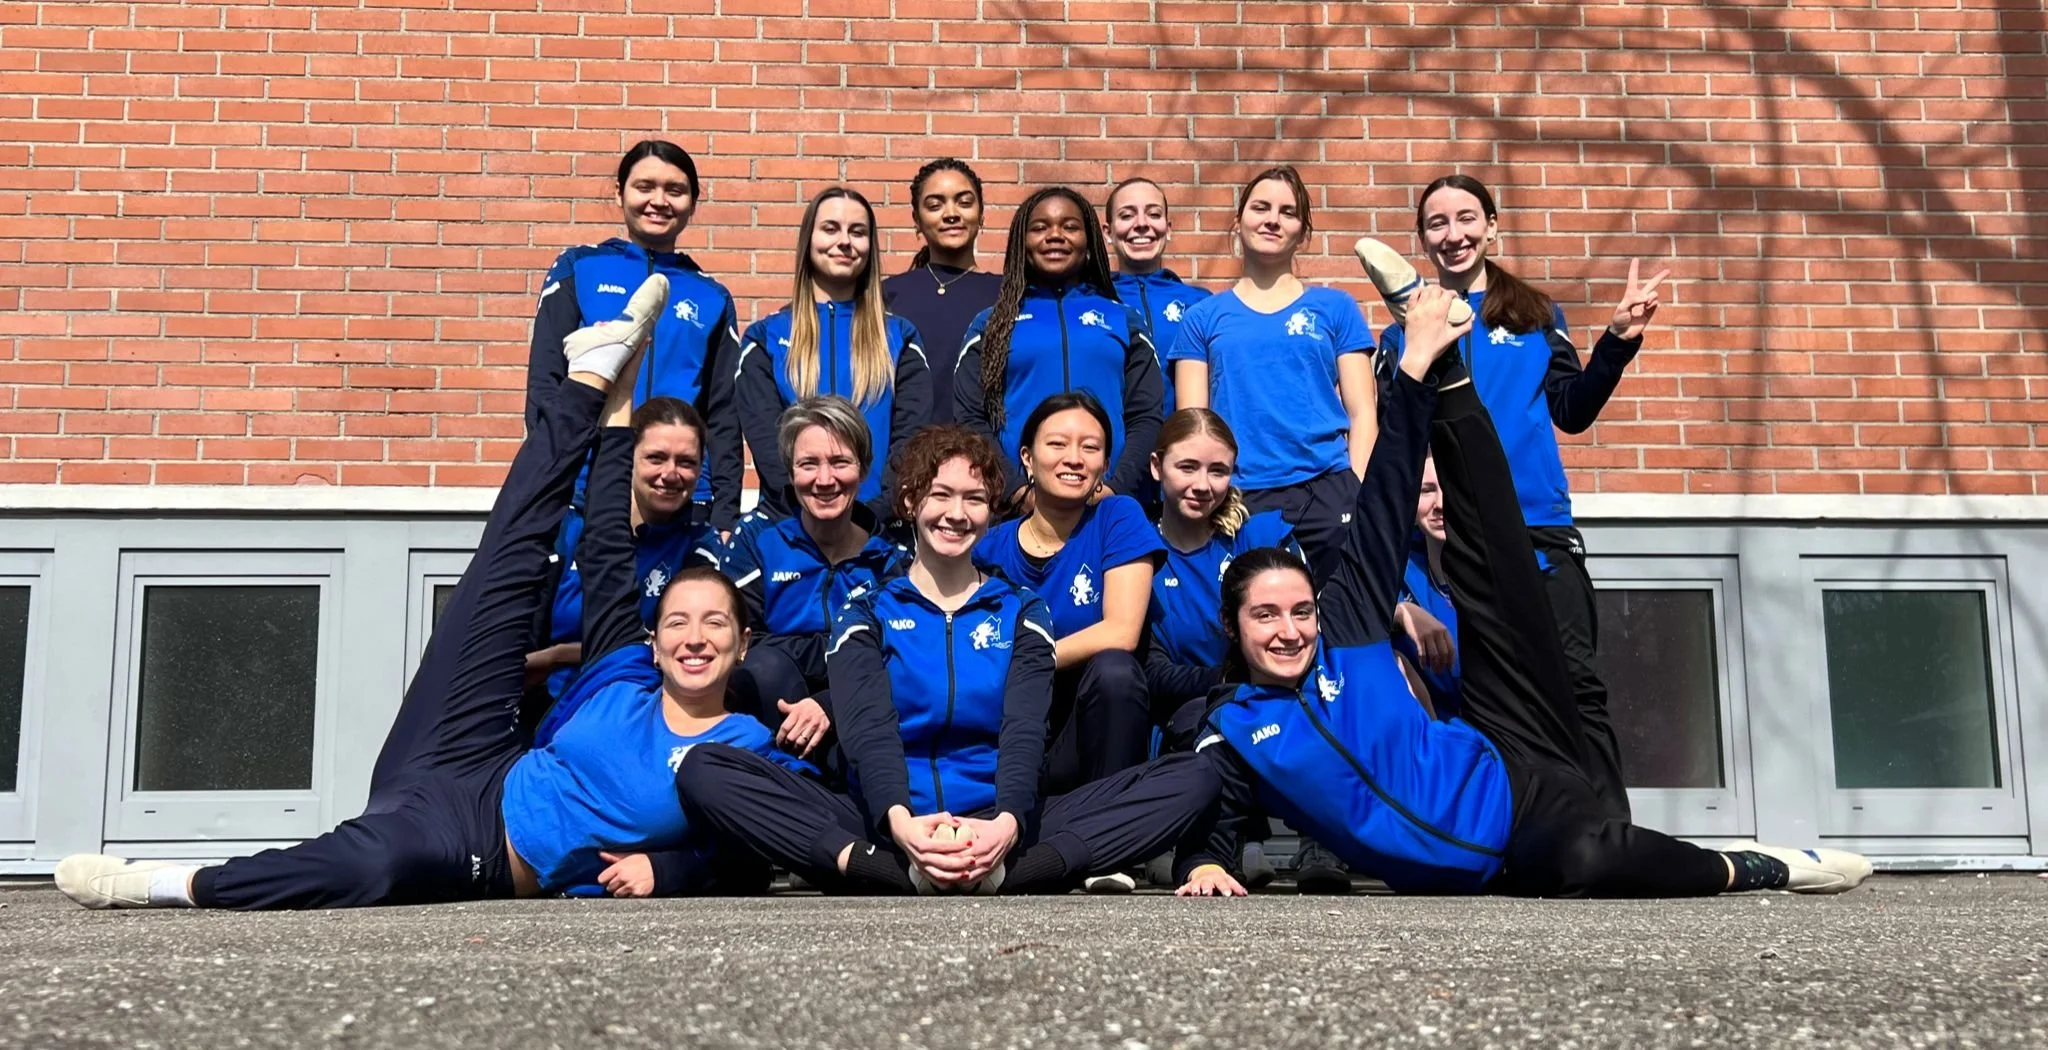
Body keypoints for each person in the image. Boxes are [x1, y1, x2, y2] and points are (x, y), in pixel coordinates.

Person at [56, 277, 806, 910]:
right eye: (678, 620)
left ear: (745, 643)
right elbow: (609, 547)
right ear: (655, 638)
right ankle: (589, 378)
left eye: (715, 623)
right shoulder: (624, 671)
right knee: (503, 565)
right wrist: (616, 407)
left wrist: (669, 871)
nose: (695, 636)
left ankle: (158, 883)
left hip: (472, 840)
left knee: (367, 870)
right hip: (474, 749)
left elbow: (754, 853)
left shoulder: (738, 746)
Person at [1172, 286, 1870, 900]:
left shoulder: (1345, 630)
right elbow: (1219, 811)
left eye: (1299, 610)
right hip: (1515, 831)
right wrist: (1205, 861)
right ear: (1233, 628)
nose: (1290, 629)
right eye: (1265, 615)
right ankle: (1743, 865)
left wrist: (1408, 373)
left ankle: (1440, 369)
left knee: (1493, 560)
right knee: (1586, 863)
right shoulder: (1235, 726)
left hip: (1512, 740)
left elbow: (1383, 506)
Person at [675, 424, 1221, 895]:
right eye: (941, 495)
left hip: (1005, 819)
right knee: (705, 767)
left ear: (991, 512)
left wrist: (1005, 823)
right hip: (887, 825)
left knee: (1195, 775)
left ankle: (999, 866)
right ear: (912, 501)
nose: (956, 514)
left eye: (974, 499)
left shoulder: (1022, 610)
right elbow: (869, 730)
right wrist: (902, 825)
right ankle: (918, 871)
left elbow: (1025, 727)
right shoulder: (866, 611)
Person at [1377, 173, 1670, 822]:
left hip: (1539, 531)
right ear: (1421, 239)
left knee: (1578, 685)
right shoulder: (1403, 334)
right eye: (1436, 224)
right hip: (1461, 544)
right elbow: (1396, 441)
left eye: (1465, 219)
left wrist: (1618, 341)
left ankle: (1608, 827)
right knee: (1495, 699)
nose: (1452, 234)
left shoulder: (1537, 314)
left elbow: (1571, 411)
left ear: (1492, 226)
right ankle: (1518, 831)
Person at [1168, 166, 1377, 592]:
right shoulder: (1203, 318)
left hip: (1328, 489)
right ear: (1239, 221)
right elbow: (1193, 423)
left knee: (1341, 618)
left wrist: (1355, 486)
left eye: (1287, 212)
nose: (1272, 219)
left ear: (1303, 232)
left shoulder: (1335, 307)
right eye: (1260, 207)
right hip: (1241, 497)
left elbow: (1364, 411)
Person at [523, 140, 746, 533]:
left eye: (674, 190)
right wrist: (549, 483)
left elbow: (724, 415)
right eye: (645, 187)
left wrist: (725, 512)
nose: (658, 201)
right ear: (620, 192)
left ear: (694, 202)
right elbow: (546, 385)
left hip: (682, 499)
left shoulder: (712, 297)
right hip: (583, 493)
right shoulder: (579, 268)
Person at [954, 186, 1165, 506]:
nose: (1055, 235)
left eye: (1070, 226)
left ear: (1090, 242)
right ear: (1021, 244)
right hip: (1019, 510)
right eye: (1039, 227)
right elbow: (971, 418)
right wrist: (1014, 491)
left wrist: (1116, 489)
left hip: (1107, 504)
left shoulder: (1124, 320)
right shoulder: (990, 324)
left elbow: (1146, 415)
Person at [723, 397, 910, 757]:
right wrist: (835, 651)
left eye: (840, 462)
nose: (825, 480)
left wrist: (828, 702)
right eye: (809, 464)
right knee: (764, 667)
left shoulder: (889, 558)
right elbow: (739, 644)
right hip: (772, 711)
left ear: (864, 468)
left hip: (859, 717)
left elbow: (900, 657)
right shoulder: (757, 539)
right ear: (791, 473)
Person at [738, 186, 931, 522]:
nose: (845, 241)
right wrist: (808, 515)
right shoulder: (763, 338)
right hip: (789, 528)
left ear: (870, 247)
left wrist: (871, 518)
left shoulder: (901, 337)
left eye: (857, 232)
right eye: (830, 228)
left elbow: (910, 441)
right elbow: (768, 445)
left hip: (877, 530)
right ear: (808, 240)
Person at [525, 397, 723, 709]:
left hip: (642, 706)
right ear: (628, 458)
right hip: (548, 704)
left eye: (686, 462)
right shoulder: (569, 530)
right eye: (656, 458)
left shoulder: (701, 546)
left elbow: (679, 646)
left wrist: (558, 656)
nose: (671, 474)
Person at [881, 159, 1002, 422]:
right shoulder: (887, 295)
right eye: (935, 205)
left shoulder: (1007, 294)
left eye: (964, 202)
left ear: (982, 213)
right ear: (917, 219)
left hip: (986, 451)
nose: (951, 213)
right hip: (904, 452)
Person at [1105, 177, 1211, 418]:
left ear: (1168, 228)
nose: (1141, 224)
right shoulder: (1094, 302)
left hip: (1182, 446)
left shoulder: (1200, 304)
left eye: (1153, 214)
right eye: (1126, 215)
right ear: (1107, 232)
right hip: (1119, 449)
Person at [1394, 455, 1460, 720]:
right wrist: (1401, 613)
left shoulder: (1508, 571)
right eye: (1427, 491)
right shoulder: (1398, 569)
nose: (1440, 504)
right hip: (1429, 733)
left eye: (1450, 489)